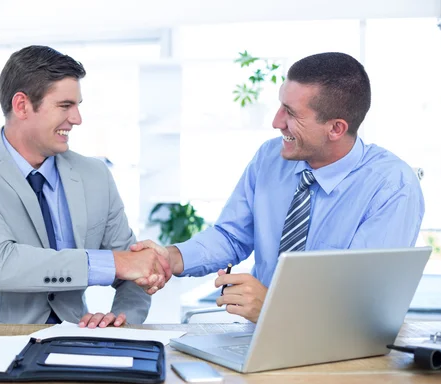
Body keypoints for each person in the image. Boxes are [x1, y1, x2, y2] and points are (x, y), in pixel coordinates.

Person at [131, 52, 424, 323]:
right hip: (259, 339)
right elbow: (231, 236)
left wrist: (272, 308)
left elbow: (363, 304)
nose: (275, 122)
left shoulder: (392, 187)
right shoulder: (270, 157)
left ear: (336, 128)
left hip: (339, 352)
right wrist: (172, 257)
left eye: (291, 113)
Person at [0, 45, 170, 328]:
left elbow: (135, 269)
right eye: (64, 106)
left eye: (78, 106)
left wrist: (121, 320)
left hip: (74, 338)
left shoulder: (95, 174)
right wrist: (113, 263)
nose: (77, 119)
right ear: (22, 105)